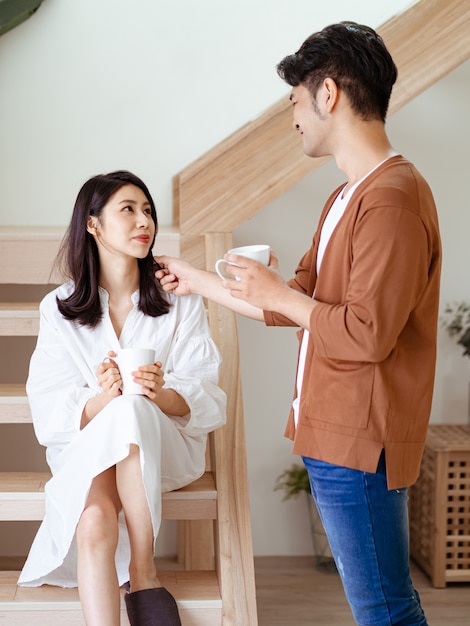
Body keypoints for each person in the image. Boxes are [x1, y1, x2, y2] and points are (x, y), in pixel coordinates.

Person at [155, 21, 441, 626]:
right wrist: (199, 281)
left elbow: (365, 333)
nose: (294, 119)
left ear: (329, 94)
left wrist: (283, 298)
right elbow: (296, 304)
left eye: (295, 103)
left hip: (360, 439)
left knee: (384, 609)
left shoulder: (390, 198)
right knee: (384, 603)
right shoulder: (345, 197)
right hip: (333, 433)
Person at [18, 170, 226, 626]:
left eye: (147, 210)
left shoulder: (179, 300)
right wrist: (100, 399)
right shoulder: (59, 308)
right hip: (90, 445)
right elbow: (49, 407)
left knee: (133, 406)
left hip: (164, 447)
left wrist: (160, 394)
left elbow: (210, 395)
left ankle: (143, 570)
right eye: (128, 210)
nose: (143, 221)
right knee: (93, 519)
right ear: (93, 225)